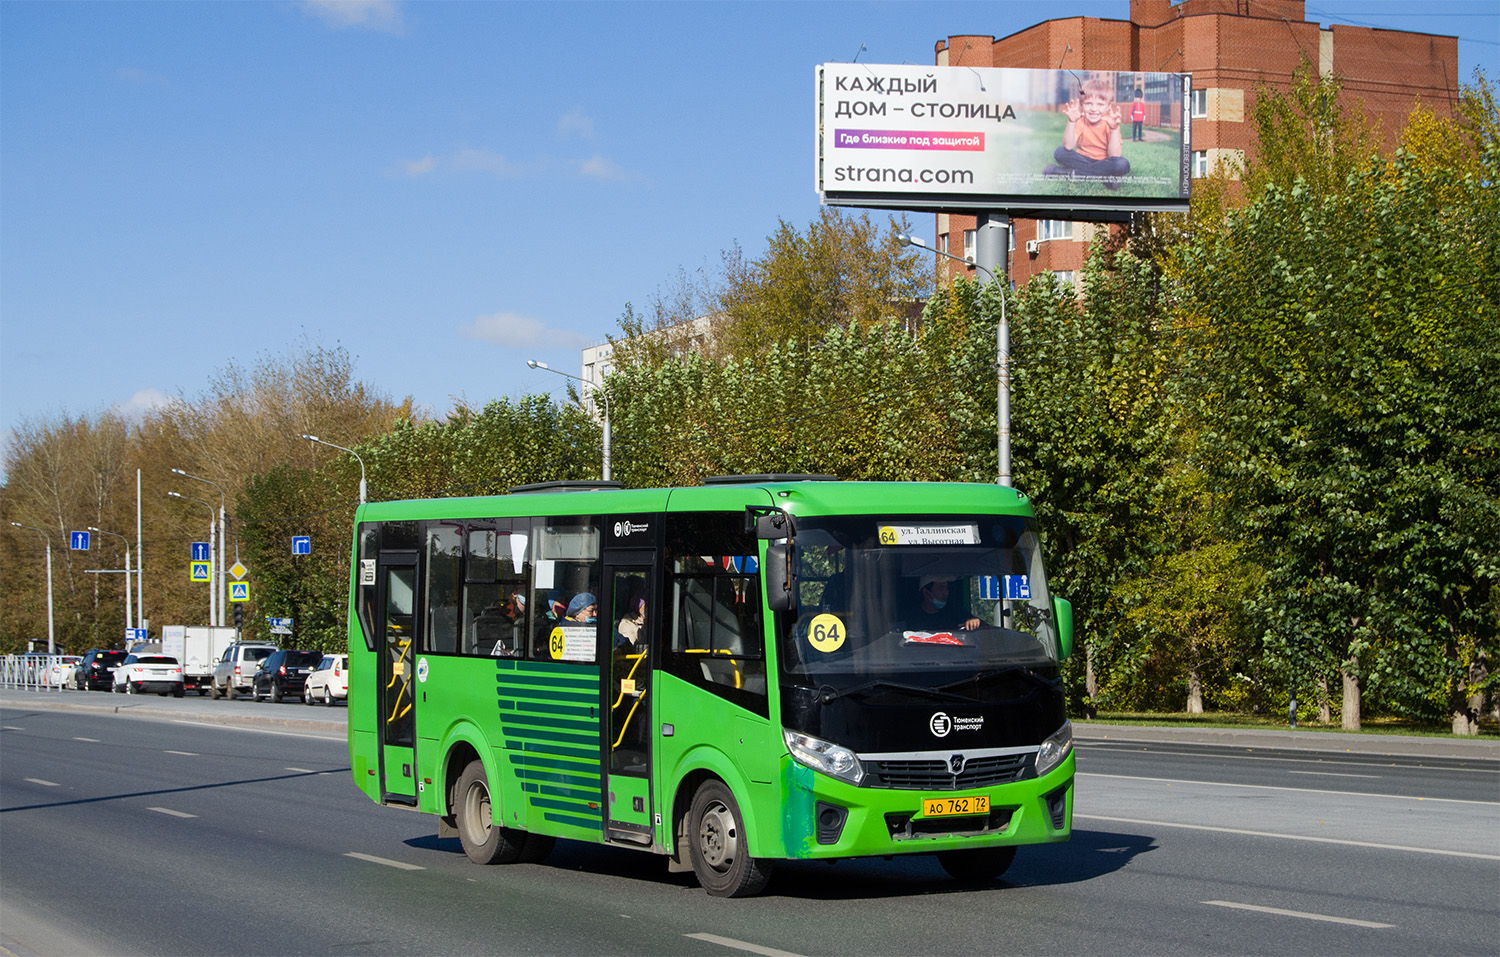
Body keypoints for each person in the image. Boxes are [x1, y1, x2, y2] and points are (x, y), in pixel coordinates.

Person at [1043, 73, 1130, 185]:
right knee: (1059, 152)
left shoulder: (1110, 123)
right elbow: (1068, 146)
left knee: (1122, 164)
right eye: (1089, 103)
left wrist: (1114, 130)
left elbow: (1115, 156)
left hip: (1104, 162)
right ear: (1082, 105)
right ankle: (1104, 177)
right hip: (1081, 159)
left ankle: (1070, 173)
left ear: (1108, 107)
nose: (1094, 109)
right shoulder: (1080, 120)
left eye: (1100, 104)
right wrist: (1071, 122)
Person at [910, 575, 982, 632]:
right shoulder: (911, 616)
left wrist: (974, 621)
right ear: (926, 592)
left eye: (947, 588)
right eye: (941, 588)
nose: (946, 592)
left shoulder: (955, 611)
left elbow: (985, 628)